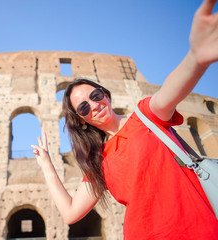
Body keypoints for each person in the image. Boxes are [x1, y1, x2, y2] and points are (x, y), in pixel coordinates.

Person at [31, 0, 218, 239]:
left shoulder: (144, 117)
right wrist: (46, 164)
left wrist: (196, 57)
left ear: (106, 95)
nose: (95, 105)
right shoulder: (98, 159)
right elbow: (70, 213)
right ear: (81, 121)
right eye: (84, 108)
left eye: (96, 96)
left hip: (198, 230)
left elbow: (170, 91)